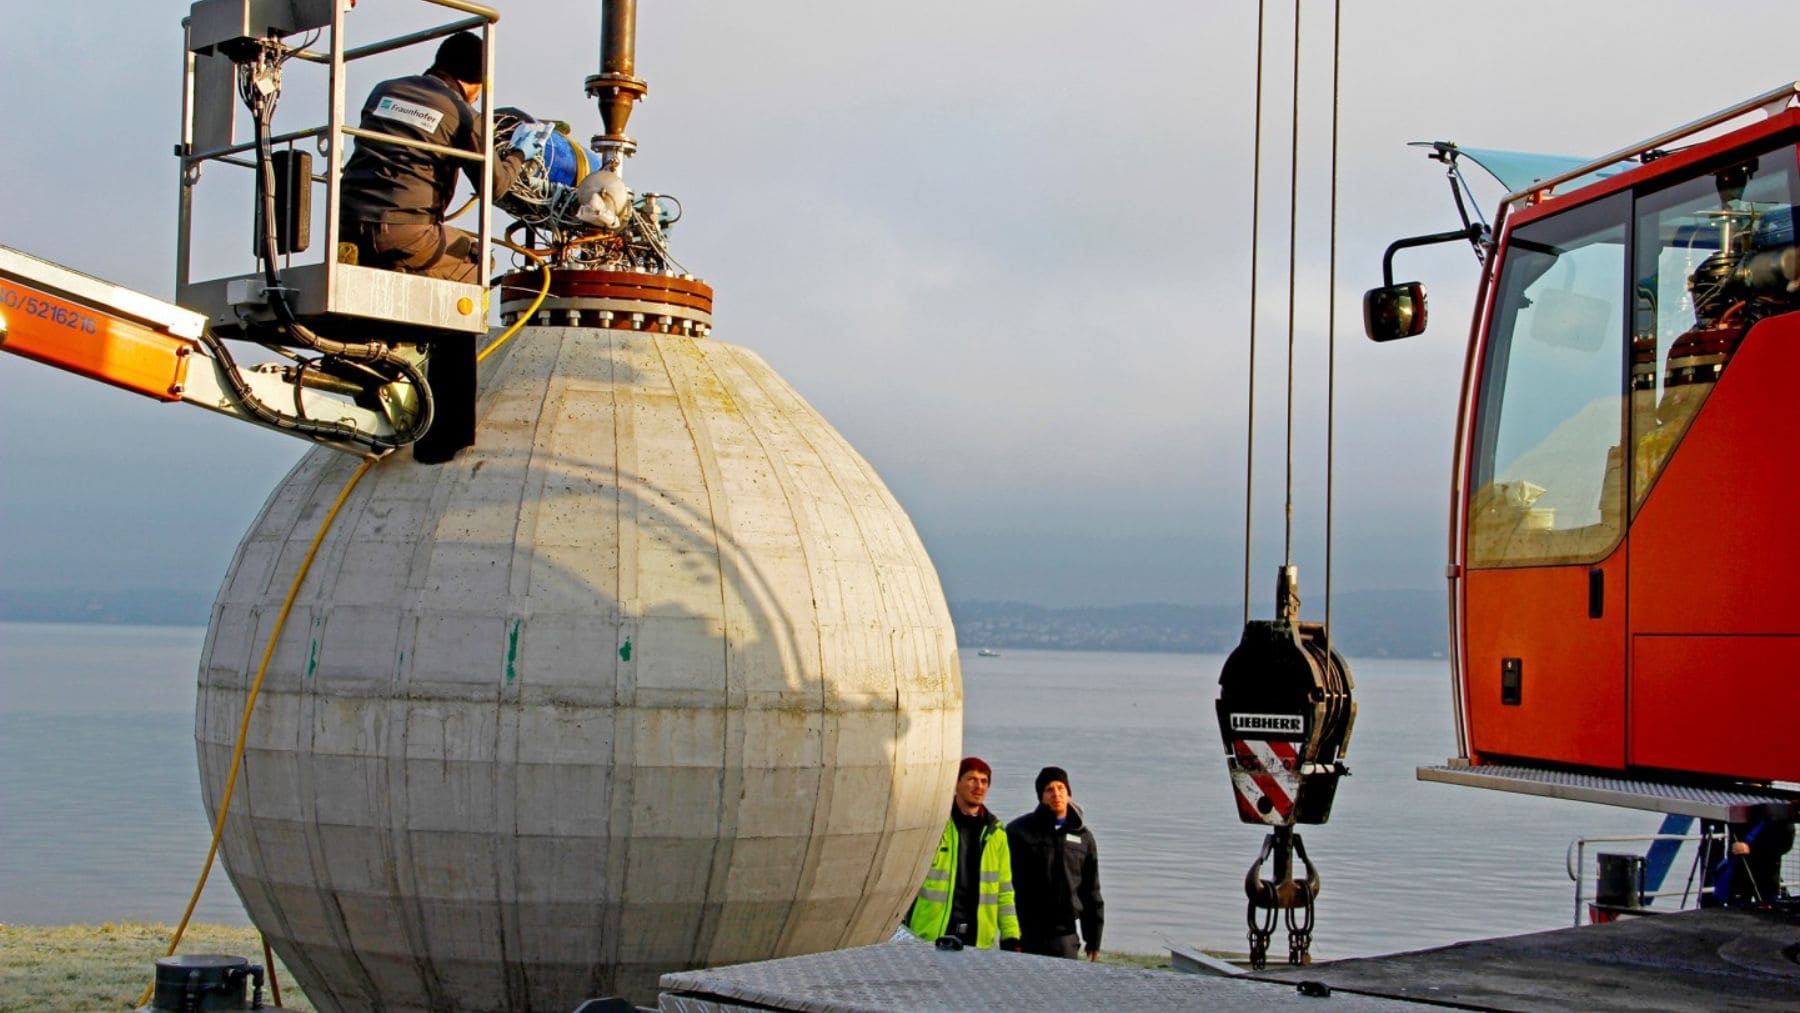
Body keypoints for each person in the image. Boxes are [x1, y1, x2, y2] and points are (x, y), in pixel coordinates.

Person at [339, 31, 524, 283]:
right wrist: (521, 153)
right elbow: (496, 186)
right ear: (475, 80)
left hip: (345, 224)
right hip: (403, 234)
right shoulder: (463, 114)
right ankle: (399, 277)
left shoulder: (384, 90)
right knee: (477, 261)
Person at [905, 756, 1022, 951]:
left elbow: (1005, 891)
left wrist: (1011, 935)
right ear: (956, 782)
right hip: (931, 935)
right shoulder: (935, 825)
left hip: (978, 940)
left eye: (984, 781)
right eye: (972, 779)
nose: (979, 786)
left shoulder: (996, 834)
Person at [1006, 766, 1103, 960]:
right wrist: (1009, 934)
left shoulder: (1083, 837)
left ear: (1068, 794)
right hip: (1027, 932)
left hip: (1065, 935)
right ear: (1041, 796)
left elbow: (1091, 891)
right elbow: (1006, 885)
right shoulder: (1018, 831)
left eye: (1061, 788)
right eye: (1049, 789)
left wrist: (1093, 939)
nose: (1056, 794)